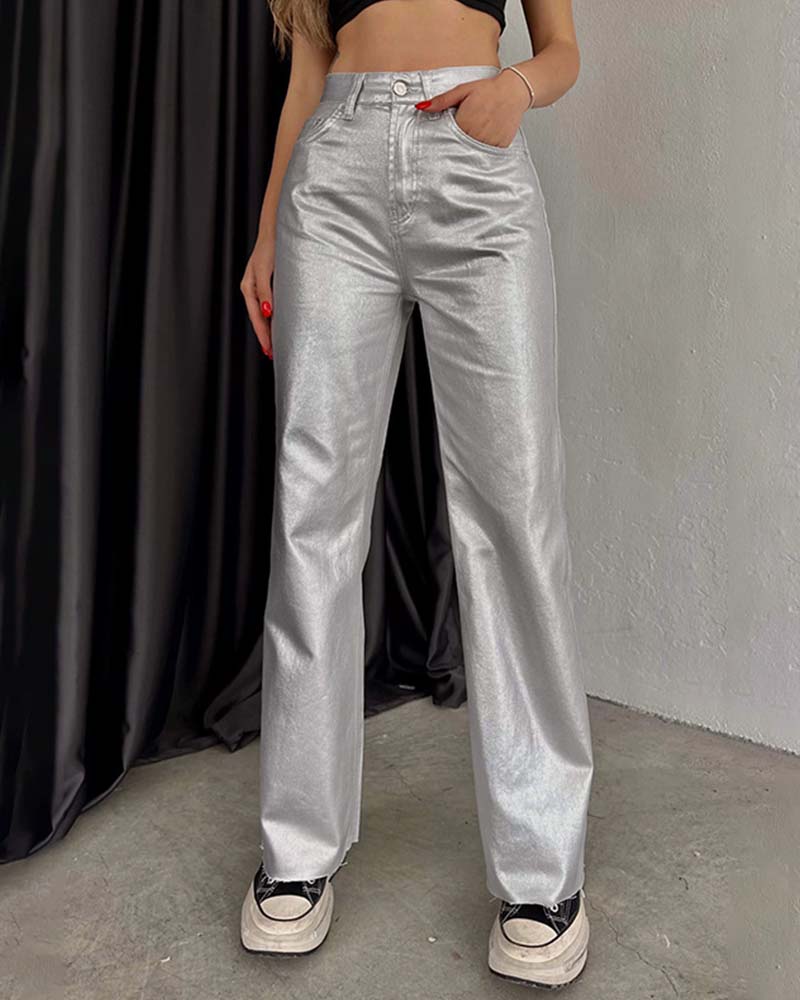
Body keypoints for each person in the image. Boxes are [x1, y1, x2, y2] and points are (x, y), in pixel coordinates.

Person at [238, 0, 594, 987]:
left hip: (474, 166)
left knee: (514, 515)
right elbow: (307, 78)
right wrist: (267, 230)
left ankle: (542, 872)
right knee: (311, 515)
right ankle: (296, 849)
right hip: (335, 176)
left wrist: (515, 89)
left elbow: (563, 51)